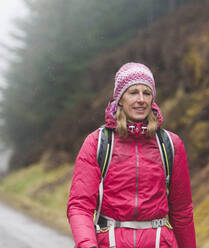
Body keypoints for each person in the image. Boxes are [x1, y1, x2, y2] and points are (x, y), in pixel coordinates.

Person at [67, 62, 196, 248]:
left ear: (153, 99)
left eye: (147, 93)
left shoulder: (170, 144)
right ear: (120, 98)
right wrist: (88, 245)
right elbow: (80, 206)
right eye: (133, 92)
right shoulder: (98, 142)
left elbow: (182, 211)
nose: (141, 99)